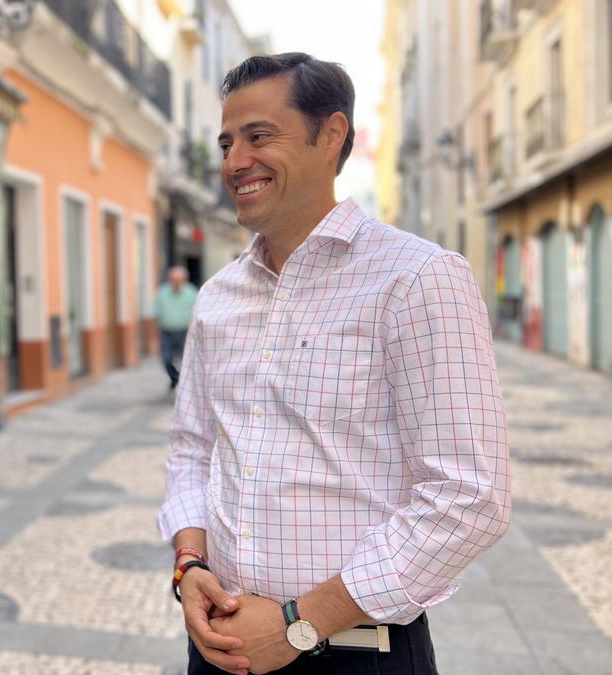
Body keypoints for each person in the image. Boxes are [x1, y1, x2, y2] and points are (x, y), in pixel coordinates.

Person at [158, 53, 510, 675]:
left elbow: (468, 496)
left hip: (353, 655)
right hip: (219, 651)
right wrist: (190, 564)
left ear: (333, 135)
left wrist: (301, 622)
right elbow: (193, 447)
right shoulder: (217, 297)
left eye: (259, 136)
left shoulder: (418, 279)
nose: (235, 162)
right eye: (226, 142)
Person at [154, 266, 199, 389]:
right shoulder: (162, 292)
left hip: (185, 332)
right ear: (169, 280)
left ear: (184, 280)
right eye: (173, 279)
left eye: (179, 279)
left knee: (187, 360)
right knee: (166, 359)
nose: (176, 282)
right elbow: (155, 312)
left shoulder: (192, 292)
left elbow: (198, 311)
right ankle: (175, 378)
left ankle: (186, 383)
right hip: (166, 332)